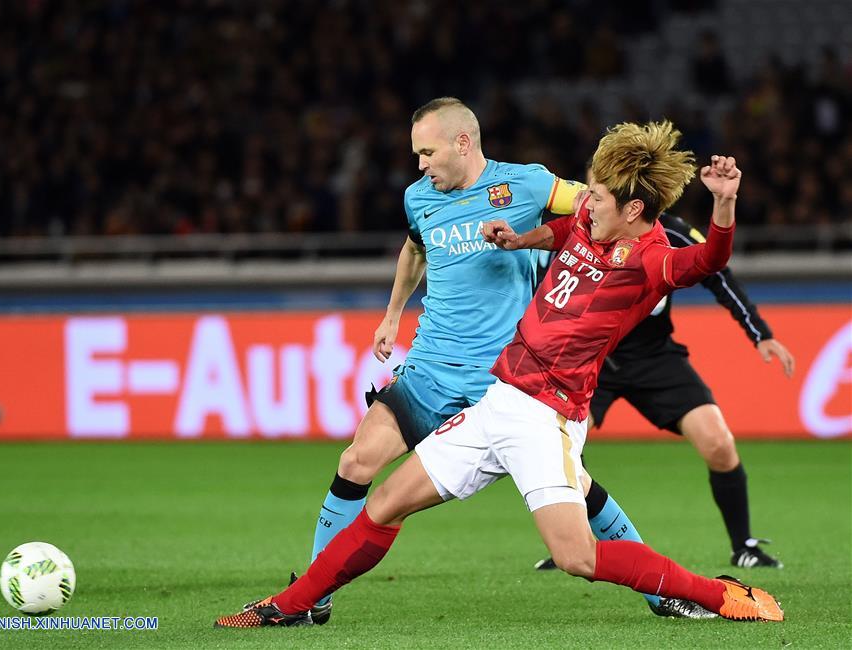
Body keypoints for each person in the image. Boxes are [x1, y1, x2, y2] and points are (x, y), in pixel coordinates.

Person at [214, 121, 784, 627]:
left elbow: (708, 261)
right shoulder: (588, 222)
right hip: (498, 403)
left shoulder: (651, 259)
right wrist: (520, 238)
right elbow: (562, 234)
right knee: (384, 501)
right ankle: (287, 608)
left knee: (576, 557)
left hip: (547, 416)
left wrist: (724, 206)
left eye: (601, 195)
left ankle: (719, 594)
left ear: (634, 209)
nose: (587, 201)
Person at [304, 97, 673, 624]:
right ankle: (315, 591)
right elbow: (414, 250)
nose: (420, 165)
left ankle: (663, 592)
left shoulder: (526, 185)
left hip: (506, 381)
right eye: (416, 155)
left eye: (427, 152)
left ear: (462, 143)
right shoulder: (418, 198)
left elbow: (603, 204)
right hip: (430, 369)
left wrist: (646, 249)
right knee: (355, 462)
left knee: (580, 487)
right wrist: (392, 314)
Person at [535, 198, 794, 573]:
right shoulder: (576, 230)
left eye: (600, 189)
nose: (590, 199)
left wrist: (760, 334)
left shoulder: (668, 231)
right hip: (590, 359)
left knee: (719, 443)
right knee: (562, 448)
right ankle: (576, 543)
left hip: (655, 358)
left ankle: (744, 547)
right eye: (590, 187)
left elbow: (717, 274)